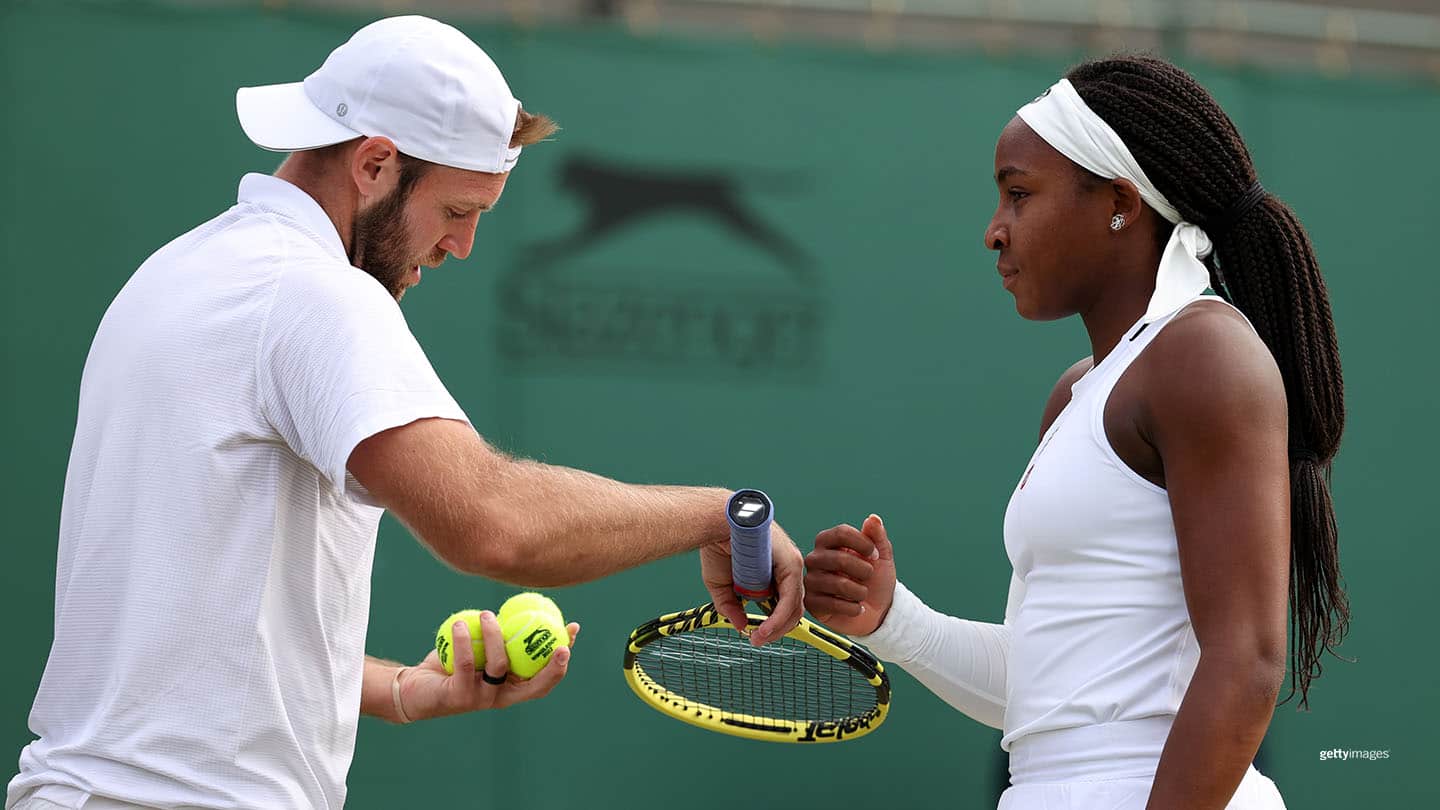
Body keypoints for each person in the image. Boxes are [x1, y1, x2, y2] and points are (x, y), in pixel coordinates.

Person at [7, 16, 802, 810]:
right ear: (375, 164)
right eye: (456, 210)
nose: (463, 245)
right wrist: (720, 516)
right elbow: (495, 525)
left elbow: (181, 627)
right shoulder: (314, 294)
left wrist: (400, 691)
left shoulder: (175, 274)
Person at [803, 55, 1348, 810]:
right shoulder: (1076, 394)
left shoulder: (1204, 354)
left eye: (1019, 194)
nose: (994, 231)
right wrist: (894, 620)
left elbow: (1247, 662)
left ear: (1120, 203)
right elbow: (1048, 694)